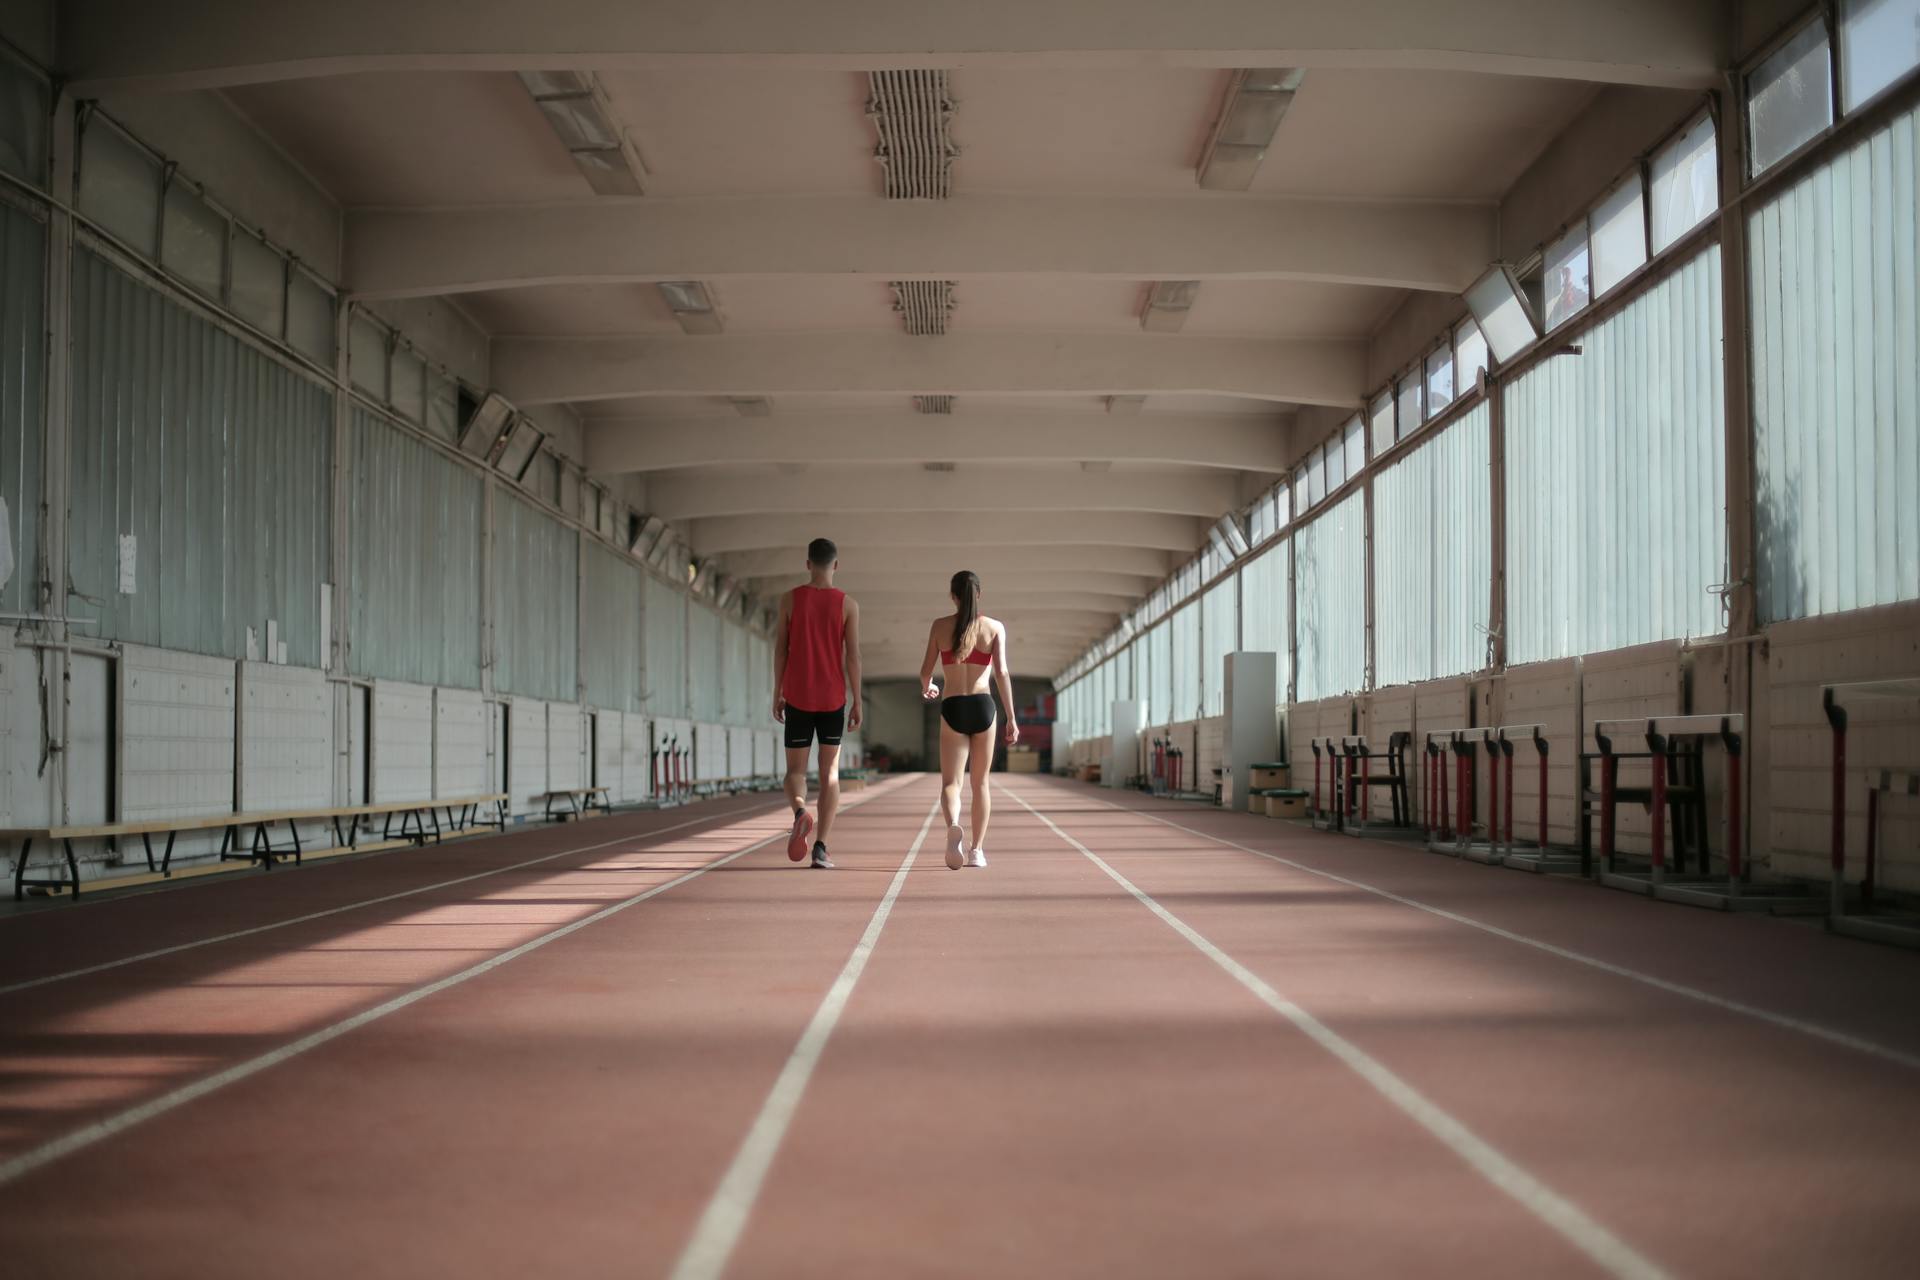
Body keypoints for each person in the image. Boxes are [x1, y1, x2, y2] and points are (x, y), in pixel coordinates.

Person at [772, 538, 863, 869]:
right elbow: (853, 656)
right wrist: (857, 701)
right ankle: (821, 848)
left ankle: (799, 810)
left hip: (797, 696)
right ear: (836, 565)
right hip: (832, 699)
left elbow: (781, 650)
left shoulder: (789, 600)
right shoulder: (848, 605)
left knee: (795, 772)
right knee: (830, 776)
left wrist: (777, 692)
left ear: (808, 563)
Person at [919, 570, 1018, 870]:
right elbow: (1001, 673)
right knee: (981, 783)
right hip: (983, 706)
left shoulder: (939, 627)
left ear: (953, 596)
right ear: (979, 595)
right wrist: (1011, 718)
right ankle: (977, 851)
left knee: (951, 782)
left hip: (953, 706)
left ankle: (953, 825)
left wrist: (928, 687)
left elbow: (925, 671)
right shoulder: (994, 628)